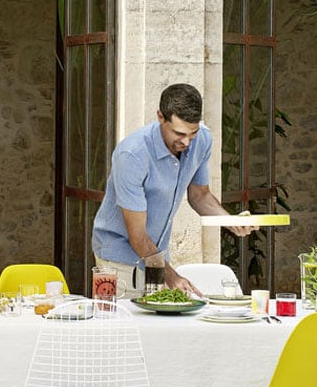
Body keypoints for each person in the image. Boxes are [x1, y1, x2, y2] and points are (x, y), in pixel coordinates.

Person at [92, 83, 257, 296]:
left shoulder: (202, 140)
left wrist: (230, 221)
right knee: (128, 318)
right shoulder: (132, 155)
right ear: (161, 117)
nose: (186, 141)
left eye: (192, 132)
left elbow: (200, 195)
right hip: (120, 261)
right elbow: (138, 236)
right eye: (179, 133)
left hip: (157, 258)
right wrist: (171, 276)